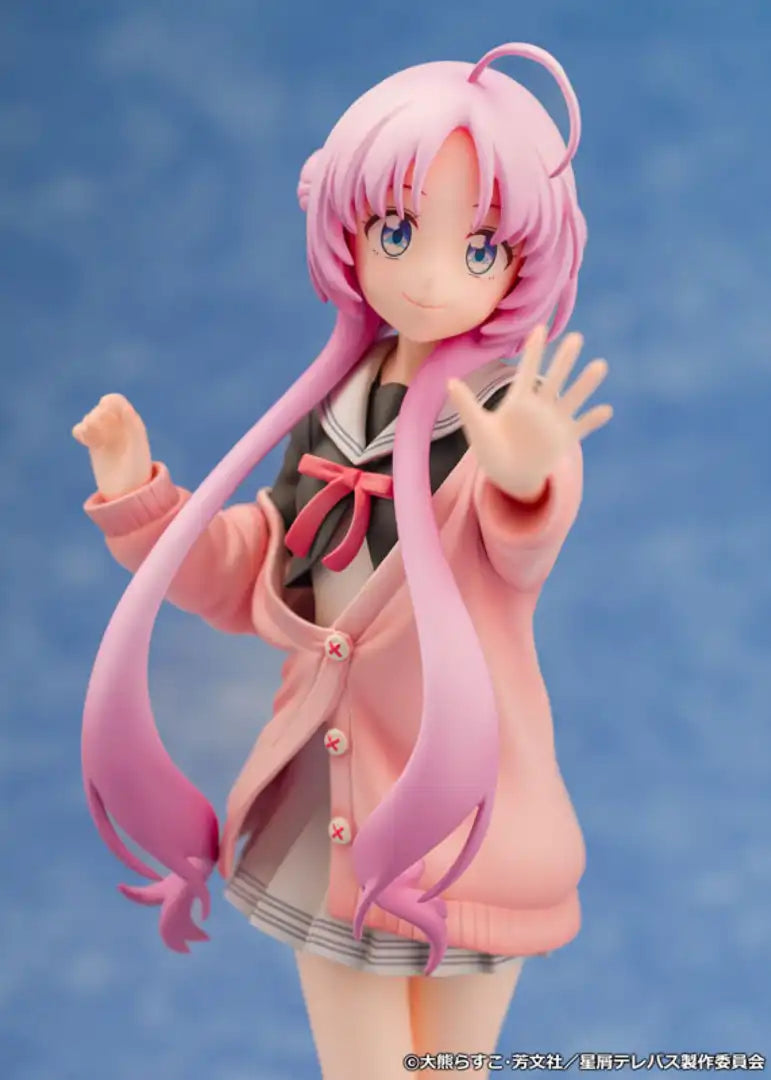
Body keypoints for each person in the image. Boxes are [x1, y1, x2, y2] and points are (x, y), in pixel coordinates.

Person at [73, 41, 612, 1080]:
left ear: (522, 261)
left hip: (466, 813)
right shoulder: (330, 410)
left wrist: (526, 476)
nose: (429, 276)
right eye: (397, 232)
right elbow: (252, 572)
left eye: (478, 246)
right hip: (331, 815)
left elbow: (520, 550)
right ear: (347, 230)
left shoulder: (503, 418)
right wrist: (145, 500)